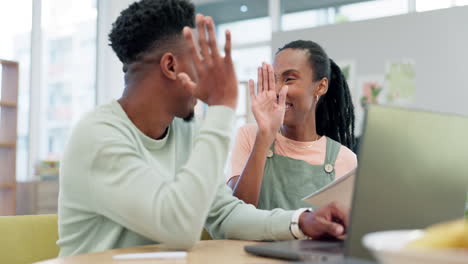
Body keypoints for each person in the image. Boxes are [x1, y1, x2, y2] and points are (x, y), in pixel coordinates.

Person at [57, 0, 349, 257]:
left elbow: (224, 213)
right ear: (171, 66)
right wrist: (222, 107)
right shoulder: (97, 136)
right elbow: (178, 228)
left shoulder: (184, 129)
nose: (209, 71)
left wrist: (302, 221)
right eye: (200, 59)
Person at [228, 40, 357, 210]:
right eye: (274, 80)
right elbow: (238, 214)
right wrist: (264, 136)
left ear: (320, 86)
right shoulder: (249, 136)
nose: (277, 90)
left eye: (289, 79)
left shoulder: (345, 159)